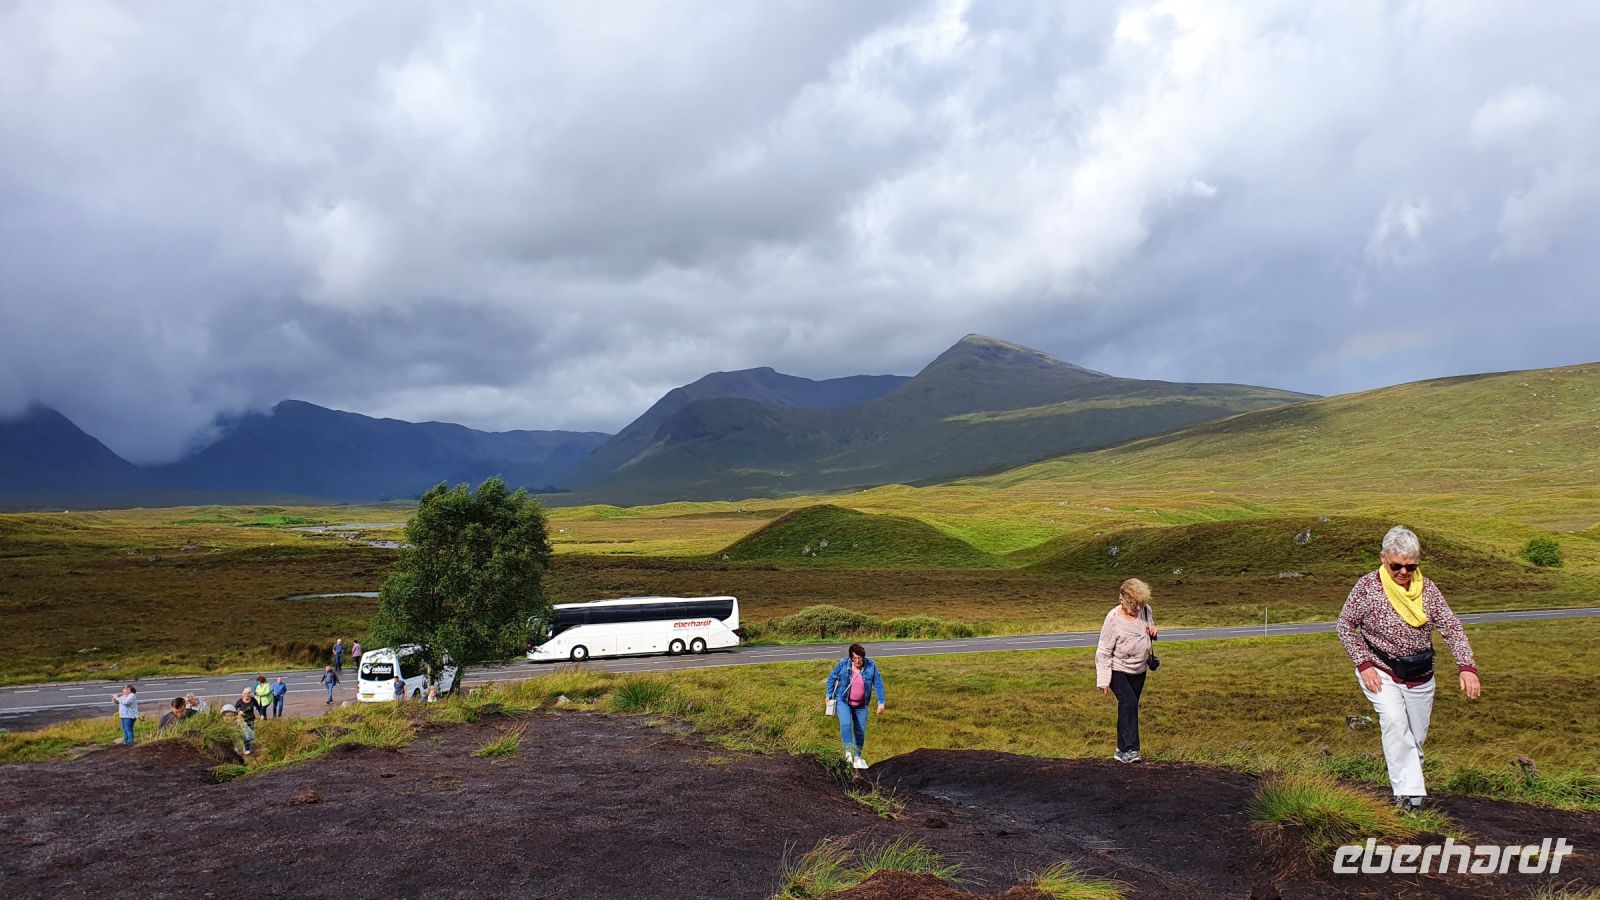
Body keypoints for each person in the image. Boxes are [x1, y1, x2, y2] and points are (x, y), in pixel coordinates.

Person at [1338, 525, 1481, 808]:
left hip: (1420, 673)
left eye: (1410, 566)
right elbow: (1344, 626)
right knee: (1393, 721)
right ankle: (1407, 796)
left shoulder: (1428, 590)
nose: (1403, 572)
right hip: (1380, 669)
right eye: (1397, 566)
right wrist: (1364, 664)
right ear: (1383, 558)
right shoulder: (1367, 588)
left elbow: (1451, 627)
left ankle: (1411, 799)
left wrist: (1467, 666)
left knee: (1414, 738)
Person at [1095, 578, 1158, 763]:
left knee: (1128, 707)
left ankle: (1121, 750)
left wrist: (1154, 632)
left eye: (1141, 605)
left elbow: (1148, 631)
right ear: (1124, 600)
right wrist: (1104, 680)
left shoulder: (1146, 610)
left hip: (1139, 669)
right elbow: (1104, 651)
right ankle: (1132, 750)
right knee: (1129, 703)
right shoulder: (1113, 618)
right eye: (1135, 605)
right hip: (1118, 669)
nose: (1139, 609)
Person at [824, 643, 886, 769]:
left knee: (860, 732)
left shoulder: (871, 665)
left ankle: (857, 757)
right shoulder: (843, 664)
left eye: (860, 658)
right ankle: (848, 753)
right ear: (851, 658)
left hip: (861, 705)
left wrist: (881, 702)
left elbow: (878, 683)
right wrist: (828, 695)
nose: (858, 661)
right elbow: (832, 678)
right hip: (843, 701)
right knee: (846, 724)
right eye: (855, 658)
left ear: (864, 657)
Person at [235, 688, 260, 755]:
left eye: (248, 693)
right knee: (246, 734)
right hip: (242, 721)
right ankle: (247, 749)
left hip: (251, 720)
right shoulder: (239, 701)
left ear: (250, 694)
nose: (246, 695)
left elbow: (258, 707)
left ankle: (246, 746)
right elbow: (234, 711)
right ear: (242, 694)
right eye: (245, 694)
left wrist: (262, 714)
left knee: (249, 735)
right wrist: (239, 713)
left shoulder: (253, 700)